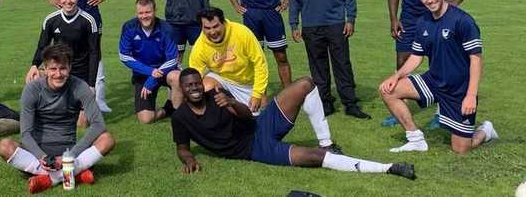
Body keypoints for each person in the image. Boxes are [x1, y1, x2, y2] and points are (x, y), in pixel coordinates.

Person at [171, 68, 415, 180]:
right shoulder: (181, 117)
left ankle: (327, 142)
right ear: (182, 88)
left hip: (259, 126)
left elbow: (246, 116)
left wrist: (232, 103)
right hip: (254, 150)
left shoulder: (216, 97)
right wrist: (190, 159)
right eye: (189, 85)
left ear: (202, 85)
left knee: (305, 83)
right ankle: (388, 168)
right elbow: (182, 147)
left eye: (197, 84)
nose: (194, 88)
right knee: (313, 157)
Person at [379, 0, 497, 154]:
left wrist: (471, 95)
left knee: (461, 149)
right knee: (388, 91)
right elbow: (416, 57)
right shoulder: (423, 22)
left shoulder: (462, 21)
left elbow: (476, 59)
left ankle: (485, 131)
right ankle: (416, 139)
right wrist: (396, 76)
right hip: (433, 81)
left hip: (458, 90)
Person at [0, 45, 115, 194]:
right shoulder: (32, 90)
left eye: (63, 68)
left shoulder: (80, 87)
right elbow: (25, 133)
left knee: (107, 139)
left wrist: (70, 156)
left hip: (69, 151)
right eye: (53, 69)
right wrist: (42, 157)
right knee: (4, 146)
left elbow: (98, 124)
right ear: (45, 69)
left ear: (70, 67)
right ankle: (72, 174)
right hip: (38, 153)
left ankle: (49, 179)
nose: (58, 74)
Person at [289, 0, 370, 119]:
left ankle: (350, 104)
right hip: (311, 26)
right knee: (318, 67)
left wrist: (350, 18)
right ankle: (325, 103)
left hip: (336, 24)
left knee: (342, 64)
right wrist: (294, 24)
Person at [188, 7, 269, 114]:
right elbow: (194, 75)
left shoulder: (242, 33)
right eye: (207, 28)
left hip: (248, 83)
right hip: (222, 79)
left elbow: (260, 64)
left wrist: (258, 94)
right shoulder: (199, 46)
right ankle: (219, 115)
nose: (212, 32)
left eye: (215, 26)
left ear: (223, 22)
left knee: (255, 117)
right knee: (205, 87)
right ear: (202, 27)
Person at [118, 0, 182, 124]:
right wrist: (150, 72)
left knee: (177, 77)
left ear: (154, 11)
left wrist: (153, 77)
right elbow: (124, 56)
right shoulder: (129, 27)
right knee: (146, 119)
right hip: (143, 73)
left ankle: (179, 116)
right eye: (140, 13)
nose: (144, 16)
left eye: (148, 12)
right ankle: (167, 110)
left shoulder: (166, 28)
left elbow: (173, 59)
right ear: (136, 13)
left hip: (165, 70)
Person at [26, 0, 99, 94]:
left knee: (81, 110)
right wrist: (34, 65)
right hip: (58, 70)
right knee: (33, 78)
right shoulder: (51, 20)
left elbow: (94, 53)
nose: (68, 1)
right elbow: (42, 46)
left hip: (80, 72)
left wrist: (91, 84)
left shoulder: (88, 21)